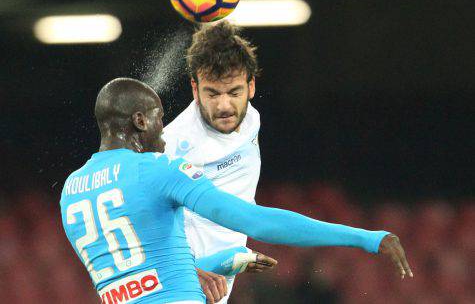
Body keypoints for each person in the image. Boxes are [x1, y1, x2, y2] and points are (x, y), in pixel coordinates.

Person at [60, 77, 413, 304]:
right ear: (139, 121)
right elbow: (253, 221)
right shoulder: (158, 169)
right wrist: (364, 237)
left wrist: (228, 262)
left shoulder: (71, 190)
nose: (163, 132)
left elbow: (140, 280)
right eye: (157, 118)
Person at [163, 22, 269, 302]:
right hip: (181, 287)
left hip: (218, 286)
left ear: (251, 86)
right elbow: (136, 219)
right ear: (195, 90)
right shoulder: (170, 144)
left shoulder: (251, 120)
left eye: (234, 92)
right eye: (212, 93)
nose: (224, 106)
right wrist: (188, 271)